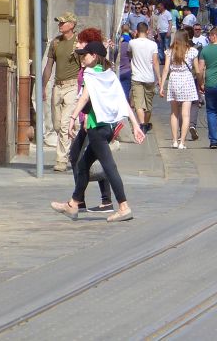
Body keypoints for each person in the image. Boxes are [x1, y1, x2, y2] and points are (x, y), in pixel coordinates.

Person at [50, 40, 146, 222]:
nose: (82, 58)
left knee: (109, 167)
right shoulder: (109, 75)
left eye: (85, 55)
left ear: (94, 56)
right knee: (83, 165)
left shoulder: (90, 75)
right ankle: (73, 204)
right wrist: (134, 125)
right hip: (108, 129)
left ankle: (123, 206)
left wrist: (72, 119)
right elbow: (122, 101)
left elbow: (84, 97)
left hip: (96, 128)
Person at [67, 28, 114, 212]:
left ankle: (85, 200)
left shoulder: (95, 67)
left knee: (83, 158)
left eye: (80, 41)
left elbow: (94, 94)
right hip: (88, 118)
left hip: (92, 119)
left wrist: (85, 115)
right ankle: (87, 199)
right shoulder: (85, 64)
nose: (77, 44)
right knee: (90, 158)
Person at [42, 12, 80, 173]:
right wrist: (43, 87)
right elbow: (49, 66)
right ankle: (79, 146)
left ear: (71, 25)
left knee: (65, 125)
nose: (60, 25)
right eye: (59, 22)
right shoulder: (55, 43)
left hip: (72, 87)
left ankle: (61, 160)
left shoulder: (78, 43)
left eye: (63, 22)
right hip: (57, 87)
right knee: (58, 125)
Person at [159, 31, 199, 149]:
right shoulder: (192, 51)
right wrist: (200, 82)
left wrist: (161, 85)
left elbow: (166, 69)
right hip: (187, 79)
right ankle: (182, 142)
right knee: (186, 114)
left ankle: (175, 141)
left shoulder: (170, 52)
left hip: (174, 79)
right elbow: (197, 70)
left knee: (174, 113)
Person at [128, 24, 161, 133]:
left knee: (138, 103)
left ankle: (142, 124)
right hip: (149, 78)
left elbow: (129, 55)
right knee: (148, 104)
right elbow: (155, 62)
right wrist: (159, 78)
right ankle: (144, 124)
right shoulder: (153, 44)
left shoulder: (132, 43)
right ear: (147, 31)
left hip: (136, 77)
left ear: (136, 31)